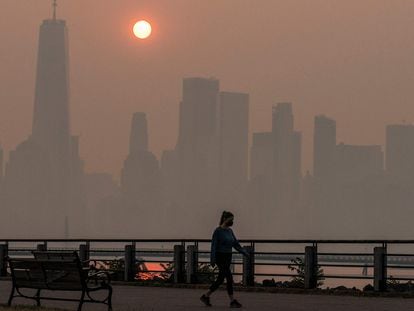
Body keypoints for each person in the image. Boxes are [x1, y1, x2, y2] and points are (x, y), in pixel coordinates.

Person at [200, 211, 249, 308]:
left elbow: (235, 244)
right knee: (229, 278)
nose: (232, 221)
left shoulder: (230, 231)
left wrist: (244, 252)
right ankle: (232, 301)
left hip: (228, 256)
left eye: (233, 220)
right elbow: (213, 246)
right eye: (230, 219)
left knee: (220, 279)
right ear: (225, 219)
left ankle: (206, 296)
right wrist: (212, 259)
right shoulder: (217, 231)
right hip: (220, 257)